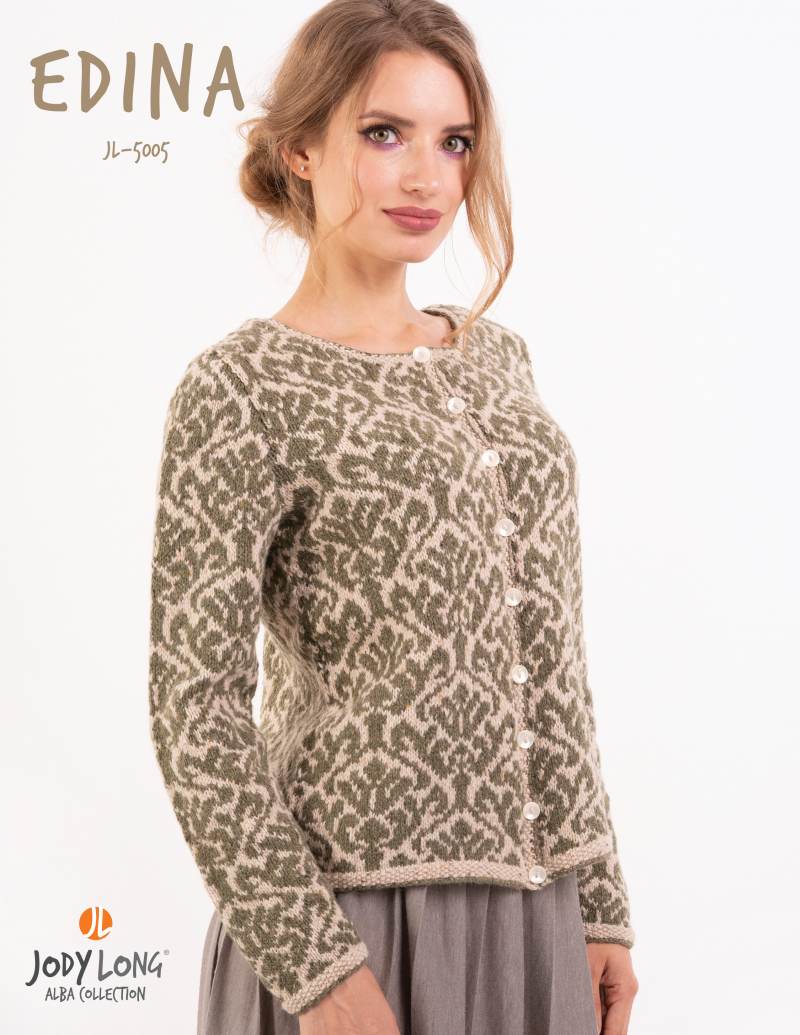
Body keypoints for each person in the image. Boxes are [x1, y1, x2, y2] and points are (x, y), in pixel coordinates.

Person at [146, 2, 640, 1033]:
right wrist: (319, 973)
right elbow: (195, 710)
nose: (427, 177)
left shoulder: (497, 359)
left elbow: (548, 653)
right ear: (301, 149)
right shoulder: (241, 388)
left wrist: (598, 898)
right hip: (348, 924)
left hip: (537, 909)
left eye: (454, 142)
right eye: (384, 134)